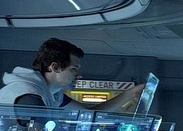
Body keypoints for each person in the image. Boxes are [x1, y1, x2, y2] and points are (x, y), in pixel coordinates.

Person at [0, 38, 144, 111]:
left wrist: (131, 93)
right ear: (55, 67)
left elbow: (89, 114)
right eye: (74, 69)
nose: (79, 74)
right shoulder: (29, 94)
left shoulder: (54, 95)